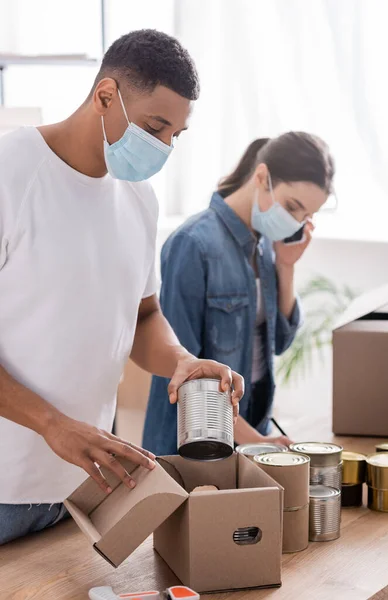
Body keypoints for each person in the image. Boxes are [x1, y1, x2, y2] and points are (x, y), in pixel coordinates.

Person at [0, 29, 244, 545]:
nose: (164, 147)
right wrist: (51, 424)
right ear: (105, 95)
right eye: (156, 127)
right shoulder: (10, 175)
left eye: (176, 134)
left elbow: (142, 316)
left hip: (83, 491)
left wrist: (179, 360)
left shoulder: (138, 200)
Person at [143, 133, 335, 455]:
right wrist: (256, 442)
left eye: (304, 218)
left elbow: (279, 343)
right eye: (291, 207)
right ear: (262, 177)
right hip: (193, 439)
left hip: (248, 432)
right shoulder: (193, 244)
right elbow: (183, 372)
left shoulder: (266, 246)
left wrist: (286, 267)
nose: (293, 224)